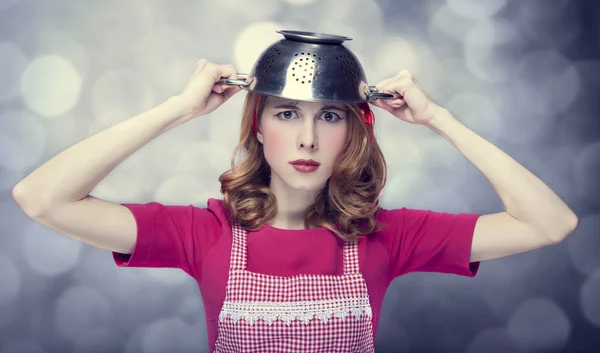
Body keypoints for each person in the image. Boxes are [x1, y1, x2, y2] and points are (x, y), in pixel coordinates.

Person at [12, 54, 579, 352]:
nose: (307, 139)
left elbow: (550, 222)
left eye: (327, 115)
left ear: (352, 129)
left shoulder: (387, 235)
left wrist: (440, 118)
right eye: (286, 113)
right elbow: (40, 198)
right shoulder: (204, 233)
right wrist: (177, 110)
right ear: (258, 127)